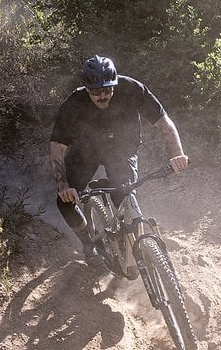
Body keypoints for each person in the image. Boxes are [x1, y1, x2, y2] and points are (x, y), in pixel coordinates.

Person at [50, 55, 189, 265]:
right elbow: (57, 146)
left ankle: (137, 249)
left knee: (124, 197)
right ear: (87, 88)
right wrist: (63, 186)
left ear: (115, 84)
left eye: (107, 89)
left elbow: (164, 123)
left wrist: (177, 154)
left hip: (122, 151)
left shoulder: (132, 89)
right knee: (65, 202)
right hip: (86, 152)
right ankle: (88, 246)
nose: (102, 96)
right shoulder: (74, 103)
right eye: (96, 91)